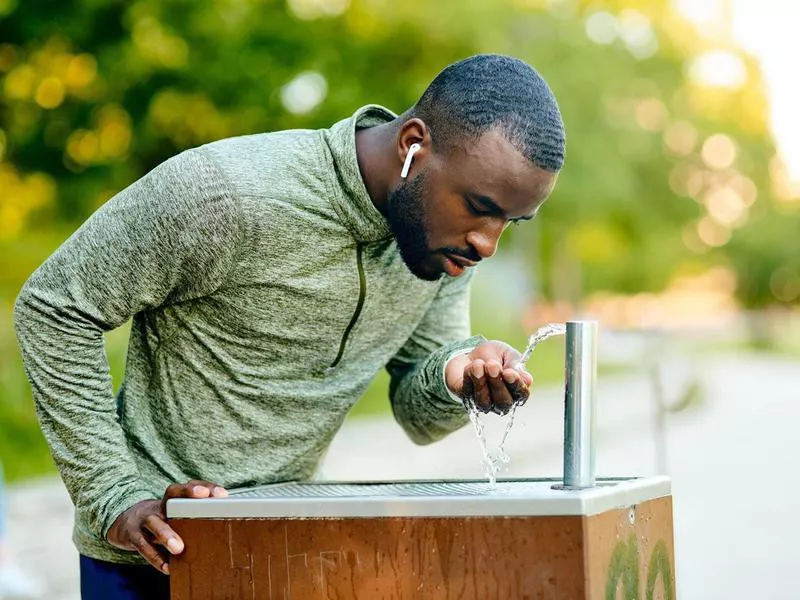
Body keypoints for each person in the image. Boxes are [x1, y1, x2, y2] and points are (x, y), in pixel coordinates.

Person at [13, 53, 565, 599]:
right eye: (480, 206)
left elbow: (417, 417)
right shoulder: (225, 192)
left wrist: (455, 376)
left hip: (287, 546)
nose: (488, 243)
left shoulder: (437, 242)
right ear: (413, 144)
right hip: (153, 558)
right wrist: (114, 496)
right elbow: (55, 306)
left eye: (511, 222)